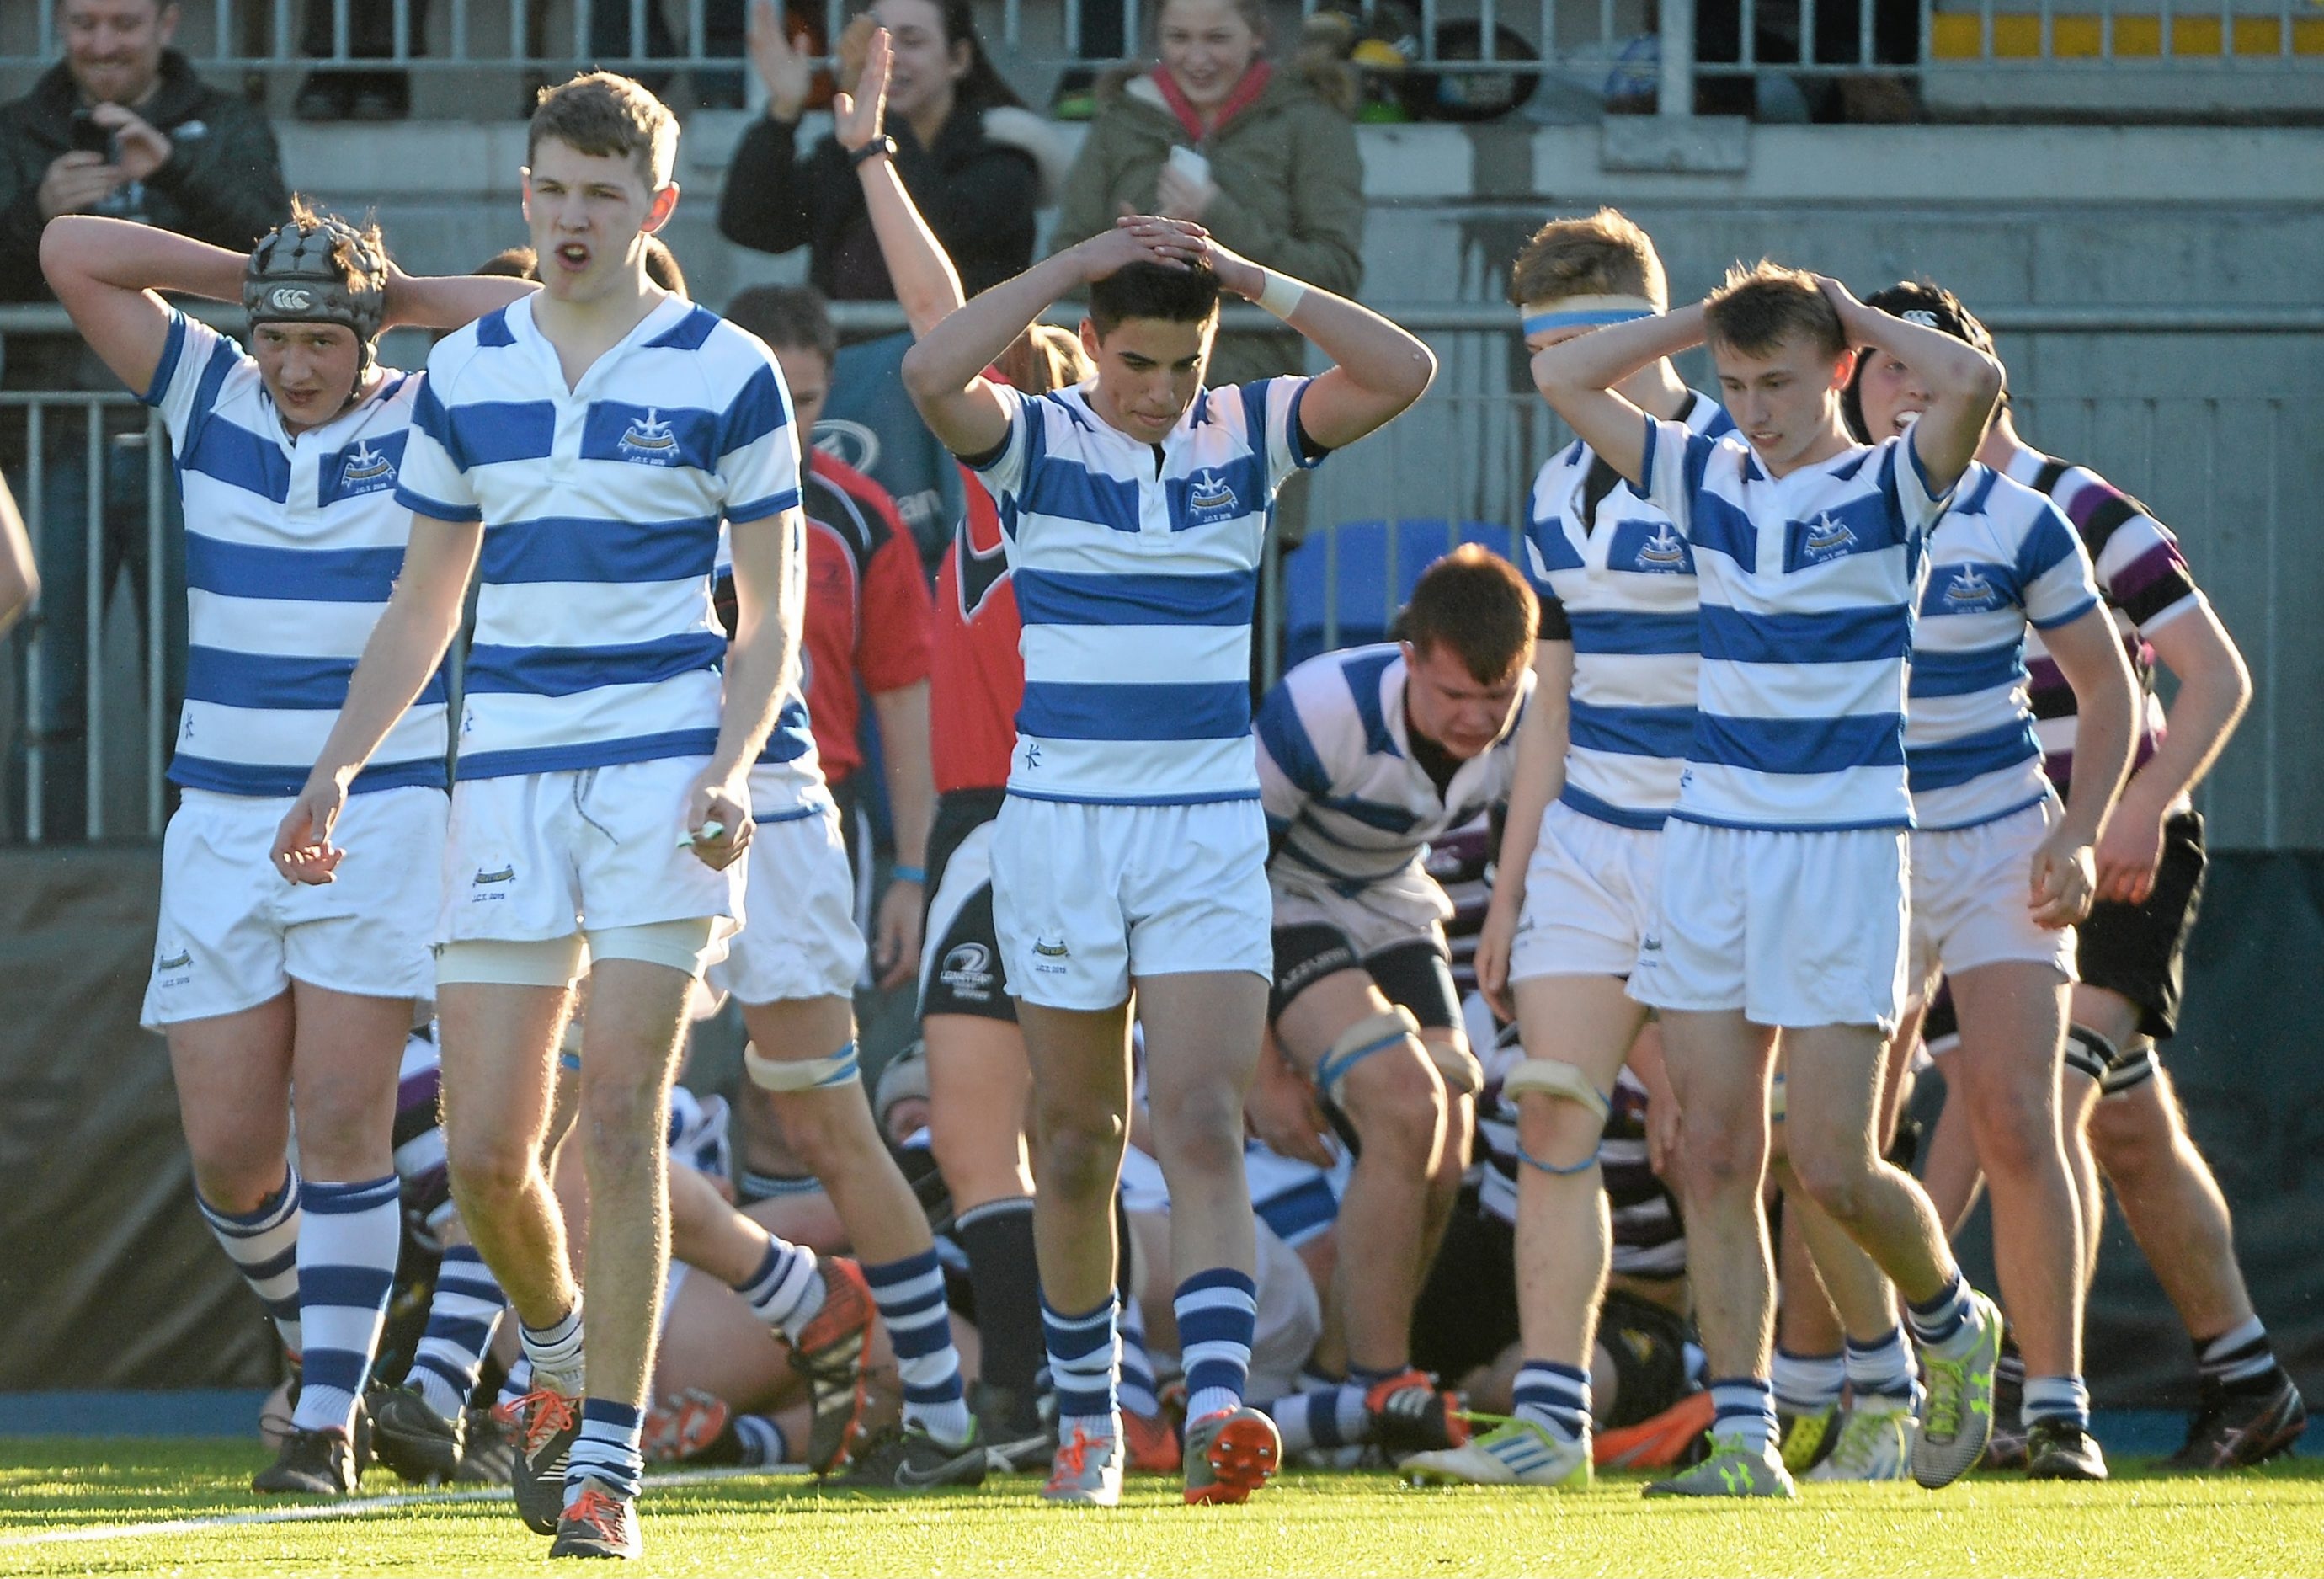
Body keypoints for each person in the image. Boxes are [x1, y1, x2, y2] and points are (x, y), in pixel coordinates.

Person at [270, 72, 805, 1560]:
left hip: (660, 773)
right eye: (553, 192)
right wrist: (338, 766)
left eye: (603, 196)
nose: (574, 220)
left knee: (624, 1111)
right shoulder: (468, 374)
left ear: (657, 209)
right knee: (496, 1162)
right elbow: (423, 600)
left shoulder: (731, 367)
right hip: (499, 776)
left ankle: (607, 1475)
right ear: (525, 195)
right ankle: (562, 1368)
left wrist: (728, 764)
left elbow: (772, 617)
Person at [902, 211, 1436, 1505]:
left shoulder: (1247, 431)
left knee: (1199, 1117)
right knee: (1078, 1139)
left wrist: (1252, 280)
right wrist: (1072, 261)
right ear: (1090, 345)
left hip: (1204, 829)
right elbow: (930, 374)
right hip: (1062, 832)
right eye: (1135, 360)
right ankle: (1090, 1416)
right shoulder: (1036, 438)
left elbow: (1403, 369)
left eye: (1182, 364)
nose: (1157, 389)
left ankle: (1212, 1407)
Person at [40, 205, 532, 1494]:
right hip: (220, 816)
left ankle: (324, 1421)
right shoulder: (210, 388)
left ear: (362, 333)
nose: (296, 363)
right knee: (232, 1152)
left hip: (381, 810)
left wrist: (392, 291)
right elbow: (69, 252)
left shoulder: (425, 407)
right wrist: (250, 278)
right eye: (279, 336)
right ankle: (339, 1337)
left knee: (342, 1120)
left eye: (321, 337)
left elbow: (543, 323)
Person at [1530, 261, 2007, 1499]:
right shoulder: (1703, 471)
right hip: (1713, 843)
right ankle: (1745, 1439)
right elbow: (1561, 370)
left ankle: (1951, 1320)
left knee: (1834, 1159)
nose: (1754, 407)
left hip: (1847, 847)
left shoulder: (1894, 478)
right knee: (1713, 1150)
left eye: (1780, 382)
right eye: (1734, 385)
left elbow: (1975, 375)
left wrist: (1841, 312)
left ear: (1841, 369)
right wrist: (1712, 319)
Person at [1919, 292, 2303, 1472]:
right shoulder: (1897, 518)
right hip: (1990, 855)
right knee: (2123, 1126)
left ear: (1972, 379)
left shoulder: (2077, 505)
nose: (1884, 399)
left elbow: (2213, 674)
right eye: (1871, 379)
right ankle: (2248, 1375)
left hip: (2110, 848)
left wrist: (2137, 808)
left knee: (2029, 1107)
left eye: (1906, 374)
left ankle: (2032, 1393)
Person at [1395, 211, 1727, 1490]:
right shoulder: (1555, 491)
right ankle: (1552, 1419)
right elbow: (1553, 715)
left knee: (1747, 1147)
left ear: (1656, 323)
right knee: (1552, 1119)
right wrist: (1513, 889)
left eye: (1589, 344)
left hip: (1730, 849)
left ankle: (1832, 1380)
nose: (1563, 377)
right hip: (1595, 848)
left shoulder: (1741, 457)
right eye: (1545, 352)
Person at [1815, 280, 2137, 1480]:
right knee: (1836, 1146)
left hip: (2003, 836)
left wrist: (2084, 830)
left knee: (2017, 1113)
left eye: (1933, 364)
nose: (1909, 383)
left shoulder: (2020, 515)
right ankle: (1870, 1390)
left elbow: (2111, 691)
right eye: (1888, 362)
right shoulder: (1812, 504)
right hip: (1861, 847)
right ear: (1850, 377)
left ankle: (2057, 1411)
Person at [822, 29, 1089, 1469]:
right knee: (1003, 1137)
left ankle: (1063, 1396)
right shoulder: (1028, 467)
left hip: (1052, 818)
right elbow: (944, 321)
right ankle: (1027, 1401)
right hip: (1006, 821)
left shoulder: (1054, 468)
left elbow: (940, 316)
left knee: (1056, 1137)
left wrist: (871, 156)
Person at [1246, 545, 1535, 1462]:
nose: (1477, 719)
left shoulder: (1528, 720)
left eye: (1497, 699)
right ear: (1409, 655)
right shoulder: (1320, 708)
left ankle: (1337, 1382)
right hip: (1279, 899)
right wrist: (1258, 1068)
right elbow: (1221, 885)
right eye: (1455, 696)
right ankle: (1379, 1388)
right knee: (1404, 1102)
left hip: (1395, 902)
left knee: (1450, 1140)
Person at [0, 0, 289, 836]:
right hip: (51, 439)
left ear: (167, 23)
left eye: (123, 23)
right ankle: (40, 900)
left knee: (193, 682)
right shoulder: (18, 130)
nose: (102, 43)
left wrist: (175, 173)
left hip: (198, 446)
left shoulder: (226, 125)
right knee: (45, 690)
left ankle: (199, 877)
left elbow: (287, 256)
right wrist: (35, 215)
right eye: (83, 23)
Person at [720, 0, 1063, 558]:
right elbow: (755, 223)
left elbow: (942, 231)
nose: (889, 58)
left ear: (958, 59)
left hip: (961, 414)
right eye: (875, 41)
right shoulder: (847, 150)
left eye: (910, 41)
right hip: (854, 394)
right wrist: (783, 111)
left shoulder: (1004, 157)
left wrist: (876, 136)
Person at [720, 282, 937, 990]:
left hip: (815, 803)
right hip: (672, 790)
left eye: (805, 400)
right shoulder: (665, 501)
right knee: (644, 1055)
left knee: (803, 1070)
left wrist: (912, 868)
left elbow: (905, 700)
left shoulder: (861, 518)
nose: (783, 420)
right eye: (768, 393)